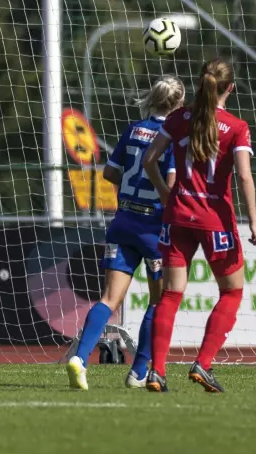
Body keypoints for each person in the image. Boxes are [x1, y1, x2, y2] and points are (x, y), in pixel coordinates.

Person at [142, 58, 256, 393]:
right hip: (214, 220)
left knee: (170, 294)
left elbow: (149, 159)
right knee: (232, 291)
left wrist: (166, 194)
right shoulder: (236, 127)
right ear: (230, 89)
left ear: (199, 85)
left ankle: (157, 371)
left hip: (178, 215)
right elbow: (243, 176)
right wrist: (253, 220)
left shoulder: (179, 118)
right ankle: (203, 363)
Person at [67, 76, 185, 391]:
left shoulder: (134, 129)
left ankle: (79, 358)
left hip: (123, 221)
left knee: (108, 298)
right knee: (159, 301)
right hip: (153, 228)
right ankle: (138, 371)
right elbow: (170, 188)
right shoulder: (173, 137)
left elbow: (109, 172)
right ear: (178, 104)